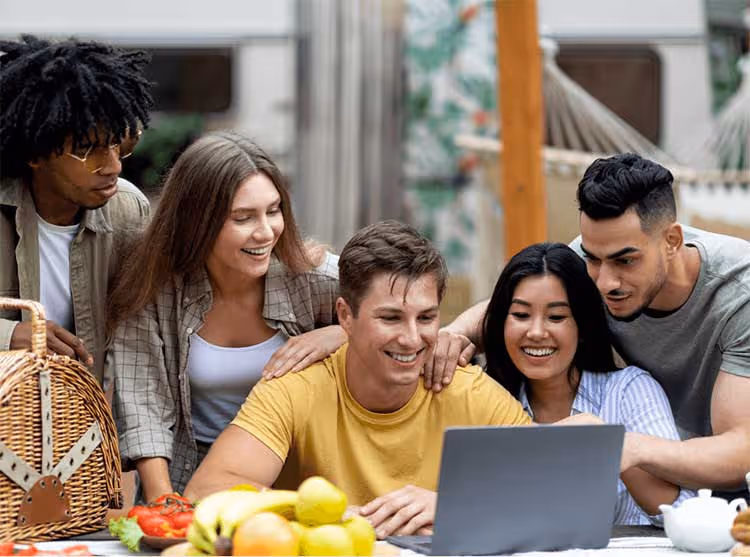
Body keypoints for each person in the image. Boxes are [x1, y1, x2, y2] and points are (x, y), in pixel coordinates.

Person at [184, 220, 533, 538]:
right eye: (391, 318)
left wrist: (453, 505)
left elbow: (550, 487)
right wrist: (325, 515)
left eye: (426, 318)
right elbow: (206, 489)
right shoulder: (297, 388)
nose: (412, 338)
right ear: (345, 317)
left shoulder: (463, 388)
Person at [437, 153, 750, 494]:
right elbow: (515, 310)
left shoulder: (739, 294)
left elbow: (741, 451)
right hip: (667, 481)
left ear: (672, 242)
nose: (604, 283)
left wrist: (627, 446)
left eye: (625, 261)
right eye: (592, 258)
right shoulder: (593, 266)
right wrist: (454, 334)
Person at [107, 132, 347, 502]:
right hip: (191, 479)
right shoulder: (154, 284)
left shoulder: (313, 277)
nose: (265, 232)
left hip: (302, 482)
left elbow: (396, 319)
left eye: (273, 210)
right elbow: (143, 403)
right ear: (197, 221)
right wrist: (164, 503)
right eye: (243, 217)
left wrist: (342, 334)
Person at [483, 242, 692, 525]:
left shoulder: (628, 392)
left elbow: (685, 512)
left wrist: (611, 445)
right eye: (520, 315)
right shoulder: (483, 396)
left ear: (582, 327)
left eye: (556, 317)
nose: (536, 332)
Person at [0, 35, 153, 386]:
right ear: (35, 153)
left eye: (117, 145)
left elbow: (147, 331)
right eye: (89, 150)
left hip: (86, 425)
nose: (113, 166)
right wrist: (10, 336)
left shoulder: (128, 211)